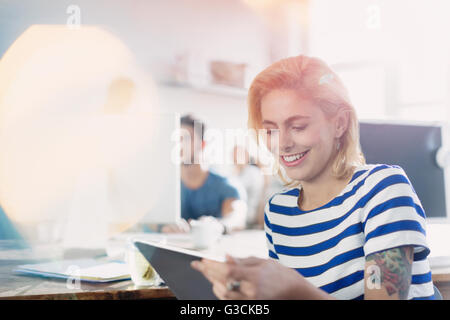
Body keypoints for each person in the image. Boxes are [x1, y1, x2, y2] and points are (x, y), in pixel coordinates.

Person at [191, 55, 435, 300]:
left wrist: (293, 290)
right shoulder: (278, 211)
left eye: (298, 127)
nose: (283, 144)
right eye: (270, 130)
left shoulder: (382, 190)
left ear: (339, 123)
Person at [160, 115, 247, 234]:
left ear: (202, 145)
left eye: (186, 139)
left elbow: (237, 217)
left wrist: (218, 225)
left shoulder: (224, 184)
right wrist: (163, 227)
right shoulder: (166, 187)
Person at [230, 145, 265, 228]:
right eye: (235, 156)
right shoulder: (231, 173)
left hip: (249, 218)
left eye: (240, 155)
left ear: (247, 156)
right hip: (235, 216)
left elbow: (255, 199)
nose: (237, 159)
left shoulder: (254, 173)